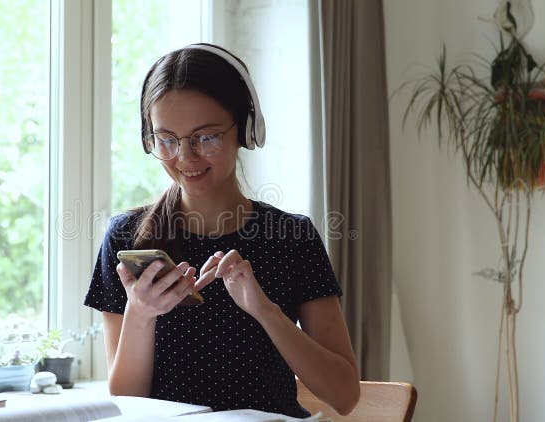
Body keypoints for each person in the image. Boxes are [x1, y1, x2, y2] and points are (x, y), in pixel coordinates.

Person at [84, 43, 360, 417]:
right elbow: (126, 403)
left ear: (246, 131)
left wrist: (265, 310)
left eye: (206, 137)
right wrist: (140, 313)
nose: (185, 157)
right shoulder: (127, 238)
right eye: (166, 140)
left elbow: (344, 396)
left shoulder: (292, 237)